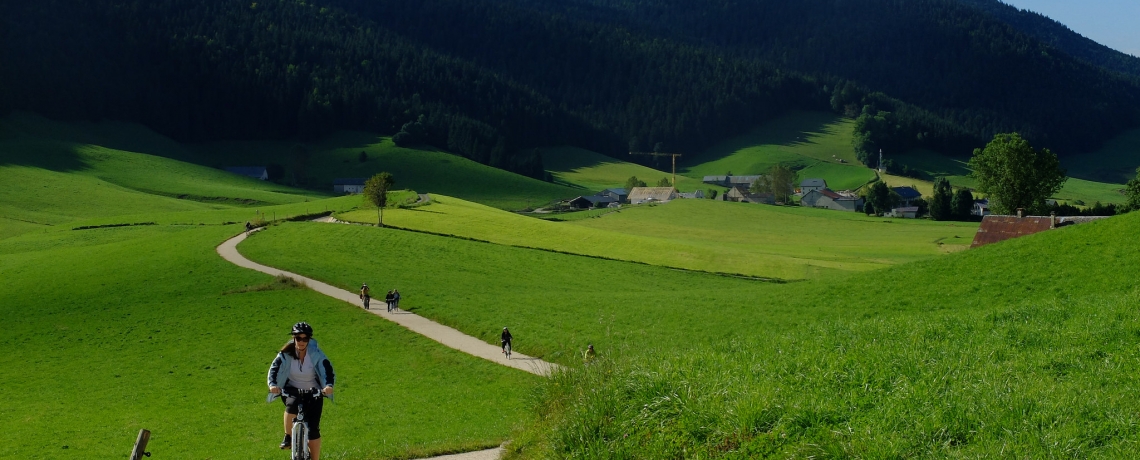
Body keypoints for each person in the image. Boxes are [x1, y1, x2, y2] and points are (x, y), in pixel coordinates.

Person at [267, 322, 336, 459]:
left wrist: (328, 386)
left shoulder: (316, 354)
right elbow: (274, 369)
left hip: (314, 392)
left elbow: (327, 369)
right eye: (299, 338)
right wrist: (273, 385)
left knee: (313, 430)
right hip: (292, 390)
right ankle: (288, 436)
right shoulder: (285, 354)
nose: (302, 341)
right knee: (291, 404)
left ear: (309, 339)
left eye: (305, 339)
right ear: (294, 338)